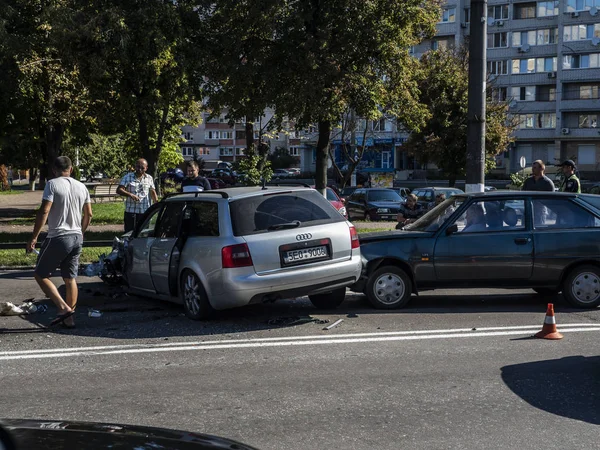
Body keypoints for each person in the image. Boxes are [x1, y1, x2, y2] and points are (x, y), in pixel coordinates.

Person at [27, 156, 92, 328]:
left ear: (54, 170)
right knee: (70, 278)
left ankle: (63, 308)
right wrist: (81, 232)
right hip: (77, 236)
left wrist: (34, 236)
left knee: (41, 275)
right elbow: (89, 214)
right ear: (71, 169)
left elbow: (44, 210)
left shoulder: (52, 184)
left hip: (58, 236)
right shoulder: (82, 186)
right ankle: (70, 320)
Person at [117, 158, 158, 233]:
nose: (139, 169)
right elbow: (119, 190)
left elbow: (153, 192)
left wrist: (157, 205)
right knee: (129, 234)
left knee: (144, 233)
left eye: (142, 168)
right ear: (135, 167)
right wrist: (130, 195)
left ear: (146, 168)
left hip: (145, 211)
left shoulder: (149, 178)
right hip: (131, 211)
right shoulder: (128, 177)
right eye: (138, 167)